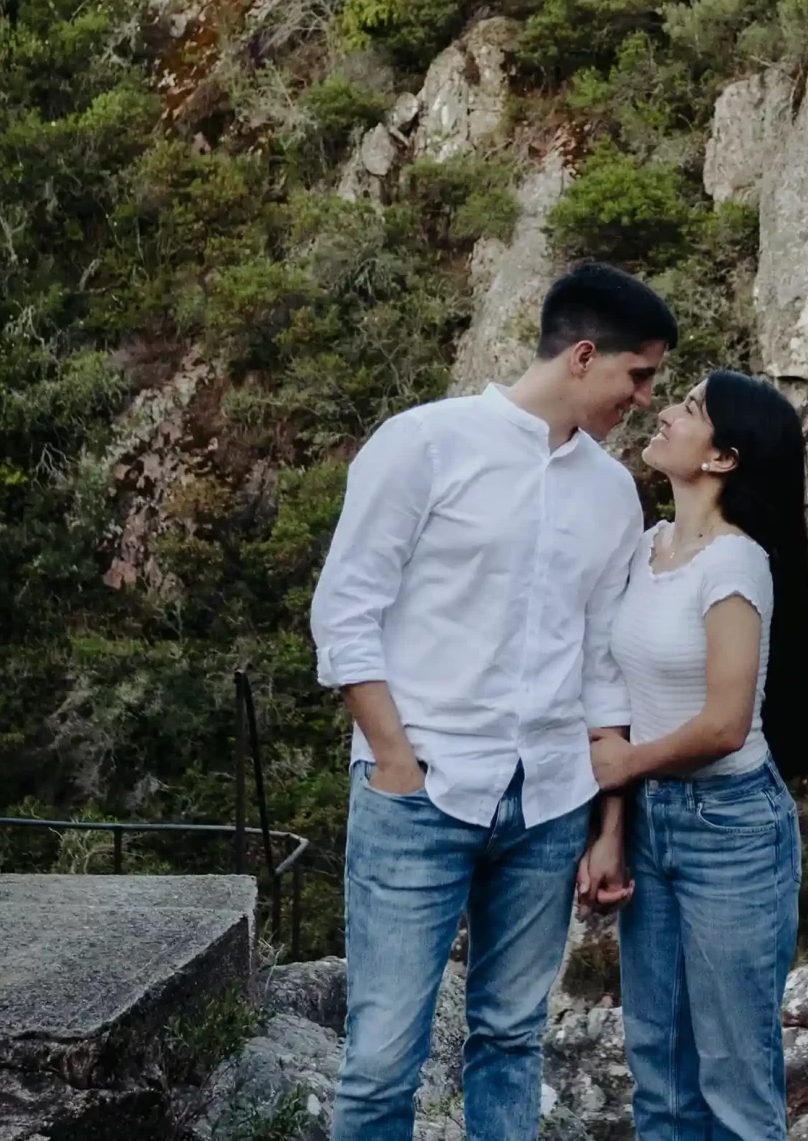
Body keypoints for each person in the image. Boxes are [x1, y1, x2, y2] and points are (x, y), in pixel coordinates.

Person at [310, 262, 678, 1141]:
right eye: (640, 375)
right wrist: (395, 761)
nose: (646, 398)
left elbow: (599, 663)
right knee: (381, 1059)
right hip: (421, 793)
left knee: (513, 1039)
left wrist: (606, 818)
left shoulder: (613, 494)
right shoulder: (423, 443)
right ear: (584, 356)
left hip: (548, 803)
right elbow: (344, 611)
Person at [584, 370, 808, 1141]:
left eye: (688, 410)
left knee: (733, 1077)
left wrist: (626, 766)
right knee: (659, 1071)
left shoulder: (736, 565)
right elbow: (613, 698)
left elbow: (725, 725)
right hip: (653, 820)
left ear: (723, 458)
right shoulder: (648, 547)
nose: (665, 413)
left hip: (731, 829)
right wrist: (613, 829)